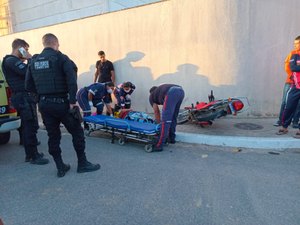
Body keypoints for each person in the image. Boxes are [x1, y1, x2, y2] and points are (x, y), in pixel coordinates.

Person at [25, 33, 100, 177]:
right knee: (77, 133)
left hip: (45, 105)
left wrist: (40, 99)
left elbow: (28, 85)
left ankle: (60, 167)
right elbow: (72, 80)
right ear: (56, 44)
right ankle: (82, 164)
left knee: (53, 136)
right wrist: (72, 101)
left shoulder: (33, 61)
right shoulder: (61, 58)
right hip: (63, 104)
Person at [1, 38, 48, 165]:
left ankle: (32, 153)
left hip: (25, 97)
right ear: (19, 48)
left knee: (30, 126)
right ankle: (33, 156)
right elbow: (27, 71)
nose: (27, 51)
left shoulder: (13, 61)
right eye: (25, 49)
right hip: (22, 97)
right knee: (29, 127)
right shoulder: (11, 61)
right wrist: (29, 58)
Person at [149, 84, 185, 151]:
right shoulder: (160, 90)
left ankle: (159, 145)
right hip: (181, 91)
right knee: (173, 117)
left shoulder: (151, 96)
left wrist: (159, 123)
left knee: (165, 121)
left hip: (171, 93)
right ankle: (172, 138)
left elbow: (156, 111)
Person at [274, 36, 300, 128]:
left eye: (297, 43)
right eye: (295, 44)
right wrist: (292, 76)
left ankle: (295, 122)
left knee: (298, 104)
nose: (295, 45)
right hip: (290, 82)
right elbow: (288, 66)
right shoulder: (292, 53)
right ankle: (281, 121)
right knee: (285, 102)